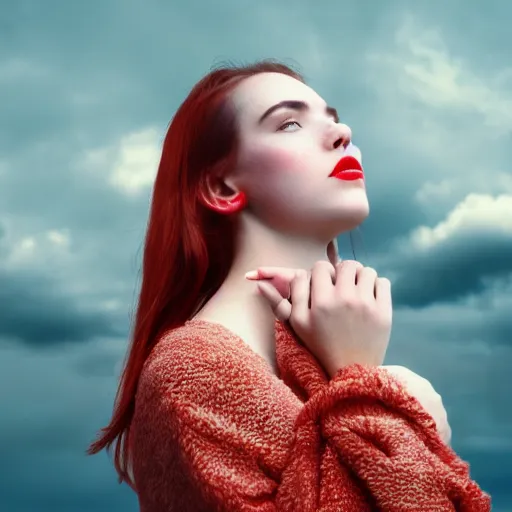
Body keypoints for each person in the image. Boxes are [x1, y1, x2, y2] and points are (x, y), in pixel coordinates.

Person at [88, 60, 490, 511]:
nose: (343, 134)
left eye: (334, 120)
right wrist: (377, 395)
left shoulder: (312, 358)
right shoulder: (195, 369)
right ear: (222, 187)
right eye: (290, 123)